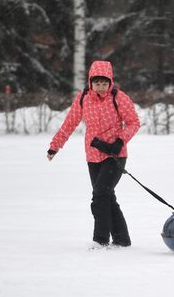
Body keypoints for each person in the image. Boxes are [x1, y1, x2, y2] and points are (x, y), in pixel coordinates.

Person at [47, 60, 140, 248]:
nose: (101, 86)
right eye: (97, 82)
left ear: (110, 82)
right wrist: (55, 146)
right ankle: (122, 240)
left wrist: (120, 141)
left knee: (100, 195)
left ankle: (100, 240)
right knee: (107, 196)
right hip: (93, 155)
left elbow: (133, 123)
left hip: (115, 155)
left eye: (104, 82)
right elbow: (69, 124)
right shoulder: (83, 98)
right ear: (90, 82)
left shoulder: (119, 98)